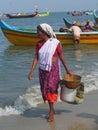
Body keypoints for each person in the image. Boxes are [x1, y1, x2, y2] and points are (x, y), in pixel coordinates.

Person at [28, 23, 72, 122]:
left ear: (44, 32)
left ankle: (51, 112)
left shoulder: (55, 43)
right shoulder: (39, 44)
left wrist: (68, 70)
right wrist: (31, 71)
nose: (37, 33)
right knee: (46, 90)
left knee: (51, 89)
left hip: (53, 70)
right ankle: (51, 109)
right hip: (43, 71)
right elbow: (36, 58)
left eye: (38, 31)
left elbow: (61, 57)